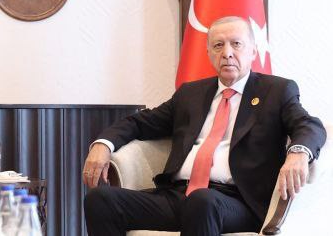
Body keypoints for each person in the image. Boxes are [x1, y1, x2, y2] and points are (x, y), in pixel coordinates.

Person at [83, 16, 326, 236]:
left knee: (202, 201)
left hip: (237, 202)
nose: (227, 53)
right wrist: (103, 144)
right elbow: (140, 122)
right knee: (101, 199)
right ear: (209, 52)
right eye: (218, 45)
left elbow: (309, 125)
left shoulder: (276, 91)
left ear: (253, 50)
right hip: (179, 196)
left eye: (236, 44)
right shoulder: (190, 93)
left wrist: (298, 152)